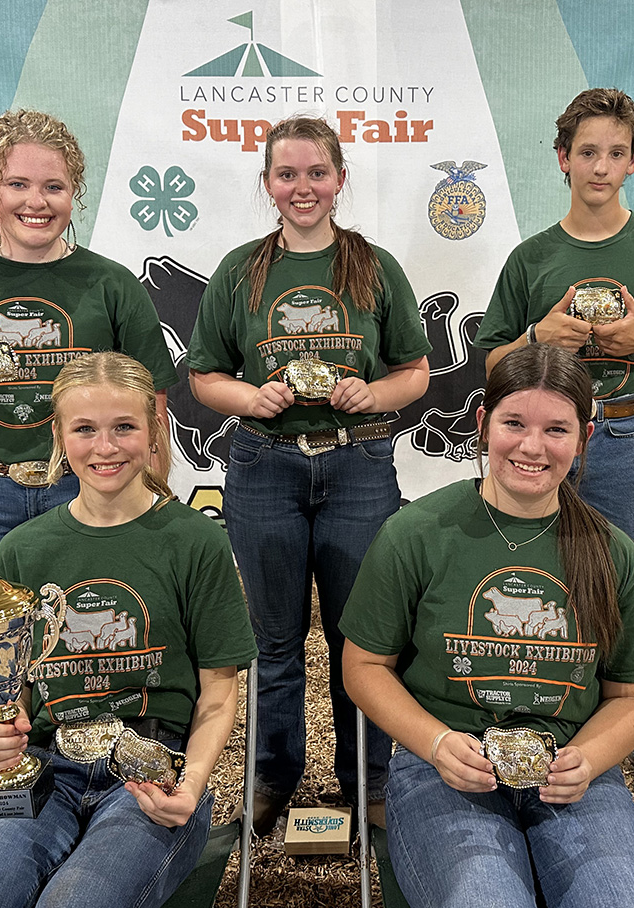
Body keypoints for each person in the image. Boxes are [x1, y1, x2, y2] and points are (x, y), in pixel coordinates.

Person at [0, 109, 178, 839]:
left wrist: (152, 491)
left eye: (53, 185)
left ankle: (95, 806)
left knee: (83, 653)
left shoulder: (108, 284)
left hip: (83, 492)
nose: (35, 201)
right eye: (18, 183)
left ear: (73, 190)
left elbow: (154, 402)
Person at [0, 352, 257, 908]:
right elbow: (15, 687)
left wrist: (193, 783)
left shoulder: (195, 541)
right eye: (85, 429)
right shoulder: (22, 549)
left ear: (154, 430)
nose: (105, 448)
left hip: (151, 774)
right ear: (58, 435)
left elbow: (221, 692)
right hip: (42, 767)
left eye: (124, 426)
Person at [341, 344, 634, 908]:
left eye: (556, 429)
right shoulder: (415, 533)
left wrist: (589, 760)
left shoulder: (611, 552)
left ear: (585, 436)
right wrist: (437, 744)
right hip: (443, 768)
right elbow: (363, 667)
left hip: (571, 769)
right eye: (514, 423)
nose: (532, 447)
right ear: (483, 423)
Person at [187, 115, 432, 833]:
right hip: (265, 465)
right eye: (286, 174)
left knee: (365, 638)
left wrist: (374, 394)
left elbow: (414, 371)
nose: (303, 187)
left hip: (358, 462)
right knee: (273, 640)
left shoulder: (374, 265)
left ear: (340, 179)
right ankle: (273, 774)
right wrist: (248, 397)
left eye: (316, 173)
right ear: (267, 183)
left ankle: (369, 780)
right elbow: (203, 375)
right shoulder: (241, 269)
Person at [474, 88, 634, 813]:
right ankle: (546, 720)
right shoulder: (533, 257)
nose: (600, 167)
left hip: (619, 431)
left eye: (615, 153)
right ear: (561, 159)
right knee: (532, 578)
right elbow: (490, 363)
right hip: (541, 441)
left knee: (632, 580)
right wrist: (540, 337)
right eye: (587, 153)